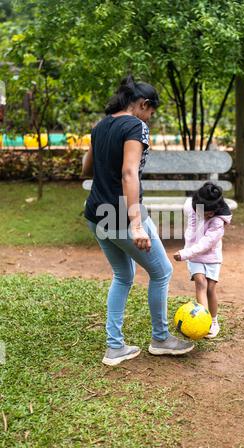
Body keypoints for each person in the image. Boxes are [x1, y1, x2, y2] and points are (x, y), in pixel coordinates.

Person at [82, 75, 194, 366]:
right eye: (151, 112)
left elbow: (85, 168)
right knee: (162, 272)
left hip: (96, 214)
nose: (150, 118)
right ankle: (161, 339)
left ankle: (115, 347)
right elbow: (129, 173)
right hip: (121, 215)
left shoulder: (101, 124)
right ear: (143, 104)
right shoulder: (135, 125)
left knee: (123, 276)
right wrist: (135, 224)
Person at [173, 182, 232, 338]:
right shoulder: (191, 207)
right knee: (201, 283)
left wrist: (185, 253)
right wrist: (188, 250)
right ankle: (203, 323)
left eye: (211, 212)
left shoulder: (219, 222)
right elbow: (190, 218)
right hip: (193, 255)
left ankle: (213, 321)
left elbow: (205, 244)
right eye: (205, 212)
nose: (208, 216)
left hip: (210, 256)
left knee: (210, 289)